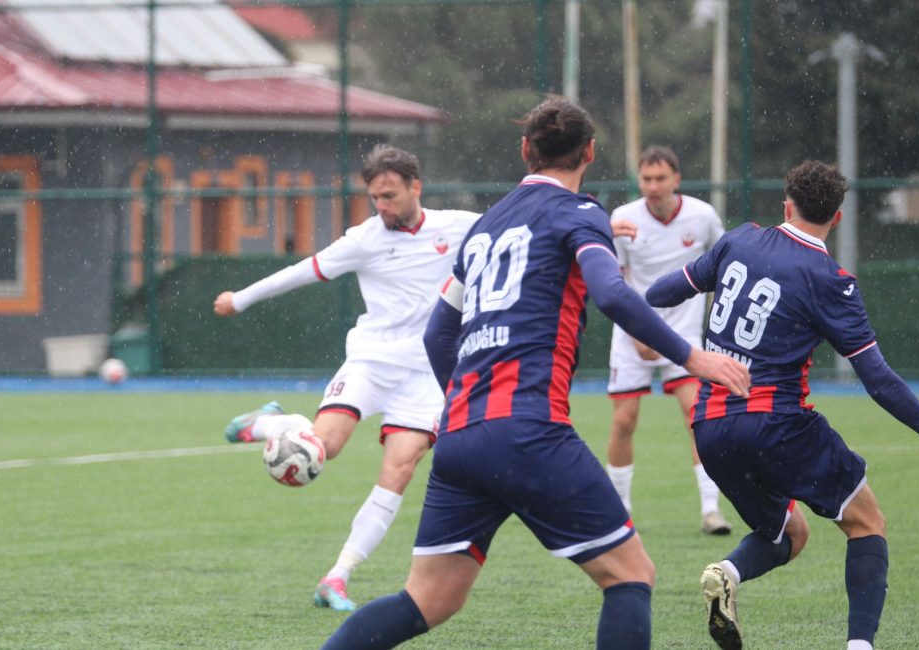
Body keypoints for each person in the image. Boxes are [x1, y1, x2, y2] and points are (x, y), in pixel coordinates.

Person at [320, 96, 751, 649]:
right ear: (590, 152)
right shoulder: (579, 213)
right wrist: (694, 356)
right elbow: (611, 292)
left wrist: (464, 403)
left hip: (459, 436)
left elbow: (437, 334)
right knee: (631, 575)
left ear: (525, 150)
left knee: (426, 600)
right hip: (528, 428)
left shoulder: (484, 226)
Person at [645, 160, 919, 650]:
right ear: (836, 218)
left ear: (786, 205)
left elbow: (659, 293)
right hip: (776, 423)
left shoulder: (738, 240)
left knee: (787, 534)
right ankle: (859, 646)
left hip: (709, 427)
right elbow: (878, 381)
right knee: (866, 523)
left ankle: (726, 571)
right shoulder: (830, 279)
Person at [213, 145, 481, 612]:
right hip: (372, 361)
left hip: (426, 374)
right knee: (325, 447)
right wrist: (241, 298)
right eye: (375, 197)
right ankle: (271, 424)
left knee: (400, 468)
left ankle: (336, 578)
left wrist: (606, 225)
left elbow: (525, 226)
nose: (382, 206)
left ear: (416, 188)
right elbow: (302, 271)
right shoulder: (365, 238)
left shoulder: (458, 226)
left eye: (390, 195)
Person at [606, 145, 731, 534]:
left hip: (684, 335)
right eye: (646, 179)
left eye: (661, 178)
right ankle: (619, 514)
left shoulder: (703, 216)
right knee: (624, 420)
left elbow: (726, 266)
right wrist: (636, 330)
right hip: (633, 335)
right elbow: (612, 281)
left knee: (698, 418)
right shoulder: (623, 219)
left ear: (676, 179)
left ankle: (711, 511)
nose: (653, 186)